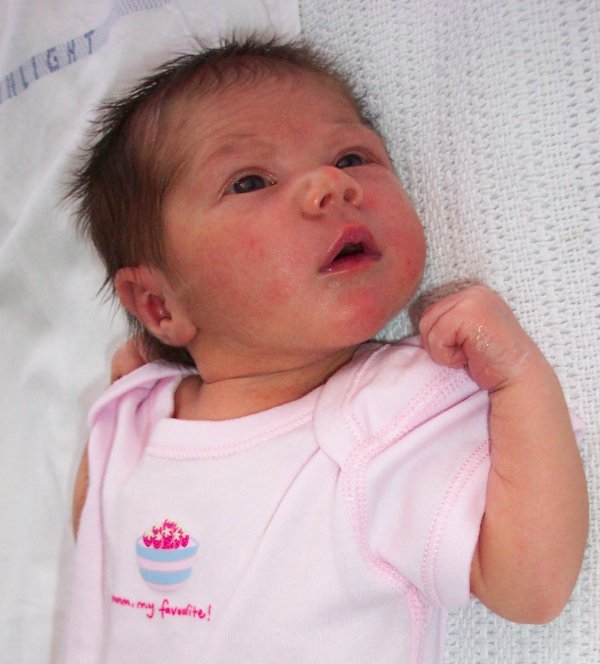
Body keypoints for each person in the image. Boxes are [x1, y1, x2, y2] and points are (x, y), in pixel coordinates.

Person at [65, 36, 588, 664]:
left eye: (352, 157)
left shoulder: (386, 416)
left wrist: (519, 381)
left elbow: (532, 589)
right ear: (158, 305)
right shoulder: (137, 424)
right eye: (250, 181)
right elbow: (97, 542)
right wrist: (124, 411)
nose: (330, 185)